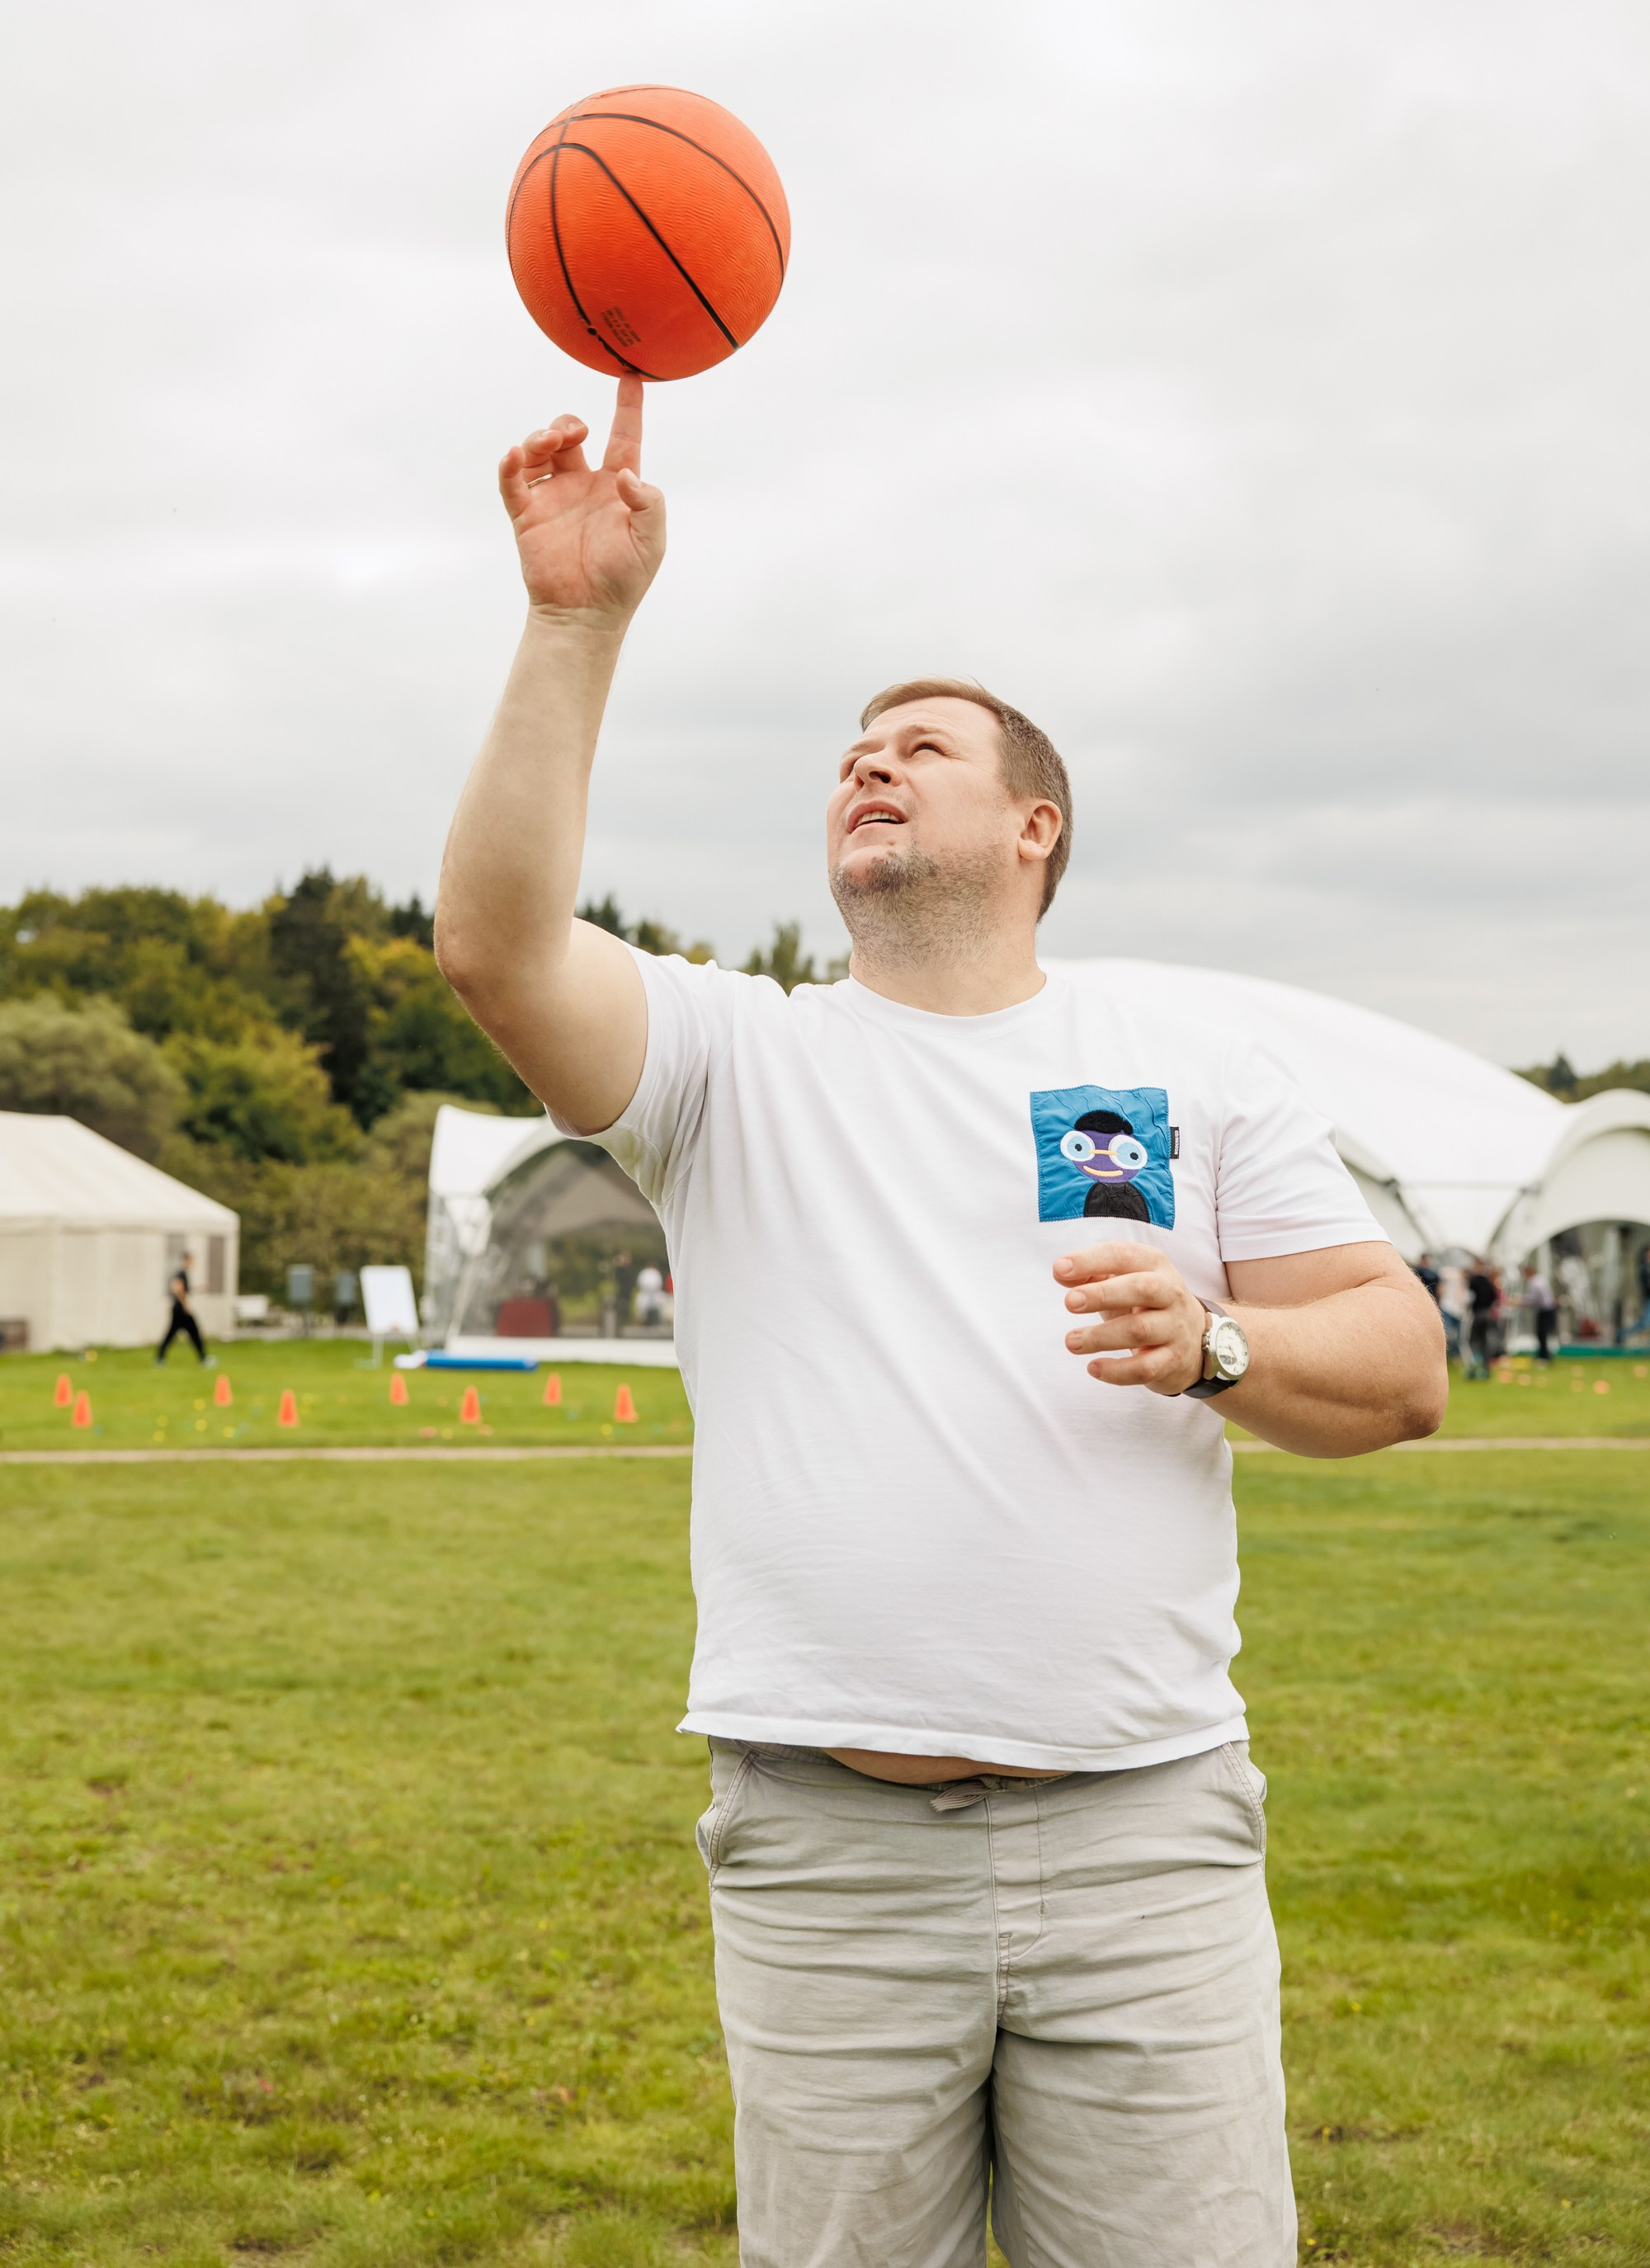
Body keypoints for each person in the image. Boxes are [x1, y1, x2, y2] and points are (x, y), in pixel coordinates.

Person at [433, 379, 1448, 2268]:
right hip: (830, 1845)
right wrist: (577, 622)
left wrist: (1217, 1340)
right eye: (847, 758)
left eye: (918, 749)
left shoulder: (1182, 1061)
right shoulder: (732, 1058)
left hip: (1141, 1832)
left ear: (1034, 823)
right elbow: (496, 947)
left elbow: (1399, 1370)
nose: (866, 771)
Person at [156, 1253, 208, 1365]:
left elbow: (185, 1290)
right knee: (194, 1332)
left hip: (178, 1309)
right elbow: (178, 1290)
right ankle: (203, 1359)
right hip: (180, 1310)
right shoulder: (181, 1273)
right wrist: (185, 1306)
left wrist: (199, 1289)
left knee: (172, 1334)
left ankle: (160, 1358)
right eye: (192, 1260)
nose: (193, 1263)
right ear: (187, 1260)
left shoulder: (182, 1273)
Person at [1465, 1257, 1500, 1379]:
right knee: (1485, 1342)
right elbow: (1495, 1298)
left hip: (1479, 1314)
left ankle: (1474, 1368)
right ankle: (1486, 1368)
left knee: (1472, 1341)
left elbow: (1469, 1298)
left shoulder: (1474, 1281)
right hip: (1488, 1314)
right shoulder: (1488, 1282)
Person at [1437, 1258, 1468, 1365]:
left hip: (1458, 1312)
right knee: (1448, 1334)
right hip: (1449, 1309)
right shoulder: (1450, 1277)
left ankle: (1452, 1356)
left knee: (1456, 1336)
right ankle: (1445, 1357)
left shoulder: (1461, 1281)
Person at [1523, 1261, 1557, 1362]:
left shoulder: (1533, 1282)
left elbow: (1533, 1300)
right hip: (1549, 1309)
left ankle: (1544, 1356)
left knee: (1542, 1334)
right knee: (1543, 1334)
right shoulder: (1541, 1279)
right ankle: (1544, 1355)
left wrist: (1520, 1301)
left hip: (1544, 1310)